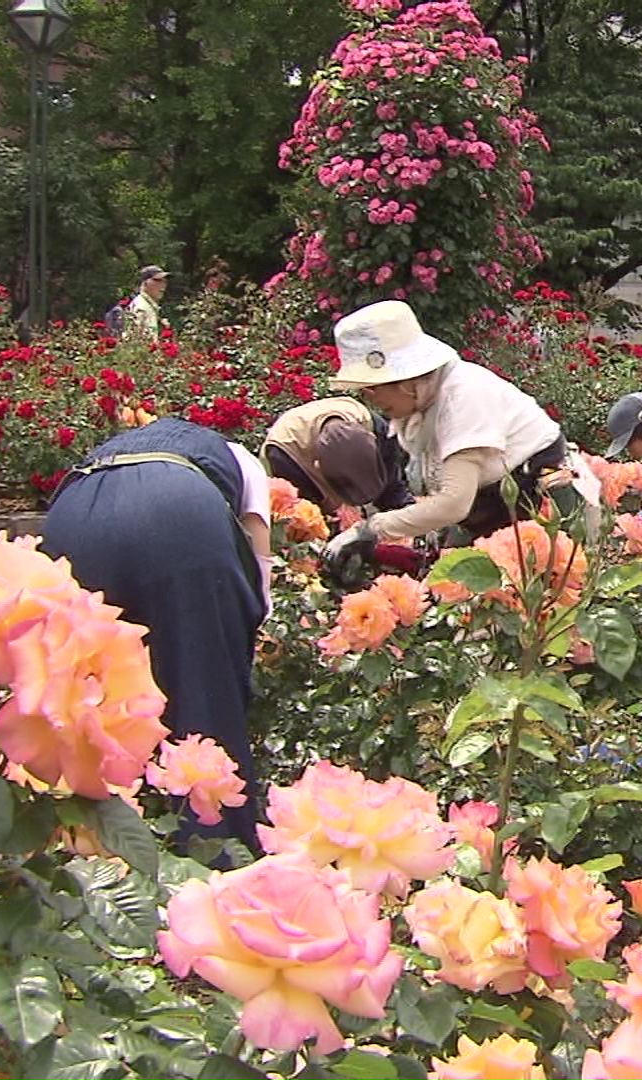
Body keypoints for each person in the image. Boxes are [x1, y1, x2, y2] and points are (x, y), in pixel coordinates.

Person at [41, 417, 274, 854]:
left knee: (86, 701)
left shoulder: (130, 445)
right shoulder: (247, 465)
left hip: (71, 512)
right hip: (177, 515)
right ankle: (216, 867)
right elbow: (258, 587)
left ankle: (80, 855)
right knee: (204, 711)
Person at [321, 301, 570, 554]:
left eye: (371, 388)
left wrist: (371, 529)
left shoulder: (463, 396)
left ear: (404, 380)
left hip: (542, 510)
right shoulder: (420, 405)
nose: (368, 398)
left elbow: (453, 504)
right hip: (490, 510)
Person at [262, 397, 413, 513]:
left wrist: (412, 515)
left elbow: (392, 488)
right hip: (301, 479)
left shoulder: (376, 429)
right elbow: (304, 518)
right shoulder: (284, 456)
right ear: (318, 467)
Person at [126, 265, 170, 341]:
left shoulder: (150, 306)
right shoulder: (140, 306)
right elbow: (132, 341)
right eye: (158, 280)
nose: (163, 285)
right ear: (145, 283)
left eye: (165, 281)